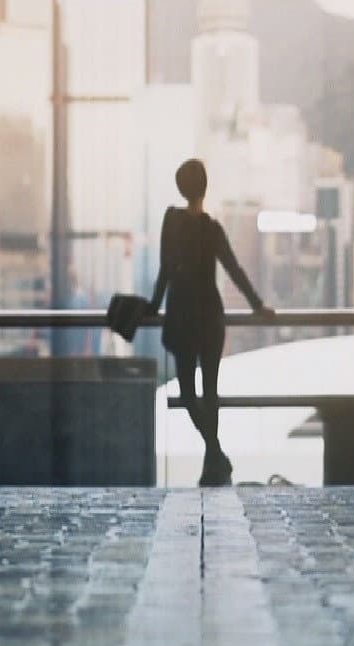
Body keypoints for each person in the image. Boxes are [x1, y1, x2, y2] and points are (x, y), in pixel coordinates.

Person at [149, 159, 274, 487]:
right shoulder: (212, 229)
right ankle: (214, 460)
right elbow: (234, 270)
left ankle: (215, 459)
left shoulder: (171, 221)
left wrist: (152, 305)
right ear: (204, 188)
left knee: (189, 393)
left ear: (181, 188)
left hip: (182, 316)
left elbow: (164, 268)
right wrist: (258, 305)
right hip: (210, 318)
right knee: (210, 392)